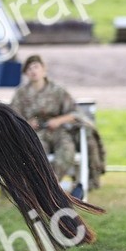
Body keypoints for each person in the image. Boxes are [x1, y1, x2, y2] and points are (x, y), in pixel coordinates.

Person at [9, 54, 83, 197]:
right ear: (26, 73)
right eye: (29, 68)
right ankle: (53, 191)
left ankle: (50, 188)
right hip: (34, 133)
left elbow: (75, 113)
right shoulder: (21, 93)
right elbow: (13, 117)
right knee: (36, 153)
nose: (33, 71)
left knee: (67, 150)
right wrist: (27, 123)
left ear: (44, 70)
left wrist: (58, 120)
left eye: (36, 67)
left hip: (57, 130)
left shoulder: (58, 90)